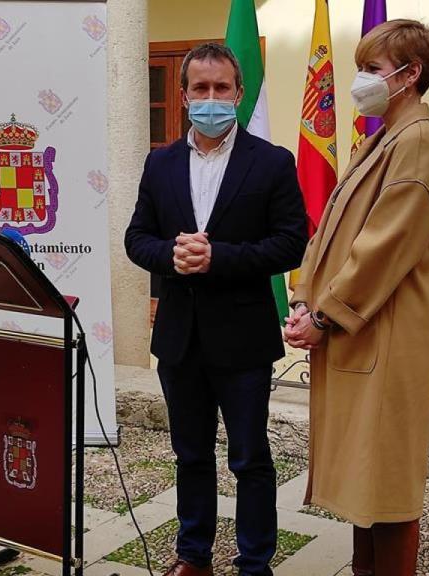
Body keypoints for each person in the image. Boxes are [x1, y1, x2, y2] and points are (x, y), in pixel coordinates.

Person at [125, 42, 308, 576]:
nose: (211, 98)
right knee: (191, 455)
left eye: (220, 88)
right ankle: (194, 554)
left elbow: (291, 243)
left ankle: (255, 562)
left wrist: (219, 257)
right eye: (199, 89)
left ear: (239, 92)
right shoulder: (159, 163)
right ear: (183, 96)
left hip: (243, 337)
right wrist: (172, 256)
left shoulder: (271, 163)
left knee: (249, 457)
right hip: (180, 337)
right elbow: (138, 238)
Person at [285, 19, 429, 576]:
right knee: (364, 479)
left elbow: (384, 247)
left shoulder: (420, 142)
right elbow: (331, 228)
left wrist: (326, 317)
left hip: (386, 338)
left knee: (387, 482)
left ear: (411, 75)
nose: (361, 80)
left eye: (373, 70)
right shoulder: (383, 138)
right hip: (358, 333)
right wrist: (305, 300)